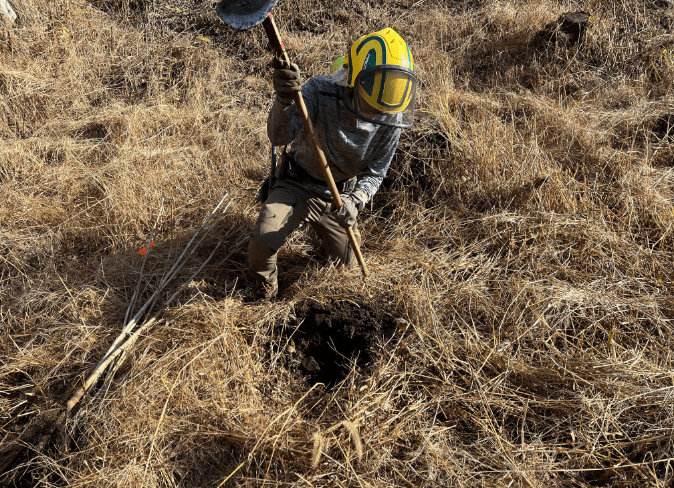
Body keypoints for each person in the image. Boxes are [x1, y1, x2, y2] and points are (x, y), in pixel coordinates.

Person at [248, 27, 417, 301]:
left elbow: (376, 171)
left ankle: (325, 237)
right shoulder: (319, 91)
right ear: (353, 81)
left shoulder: (391, 115)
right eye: (369, 102)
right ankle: (264, 291)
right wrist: (284, 100)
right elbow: (278, 137)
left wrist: (356, 200)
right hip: (298, 182)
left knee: (345, 267)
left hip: (340, 197)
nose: (376, 114)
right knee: (264, 241)